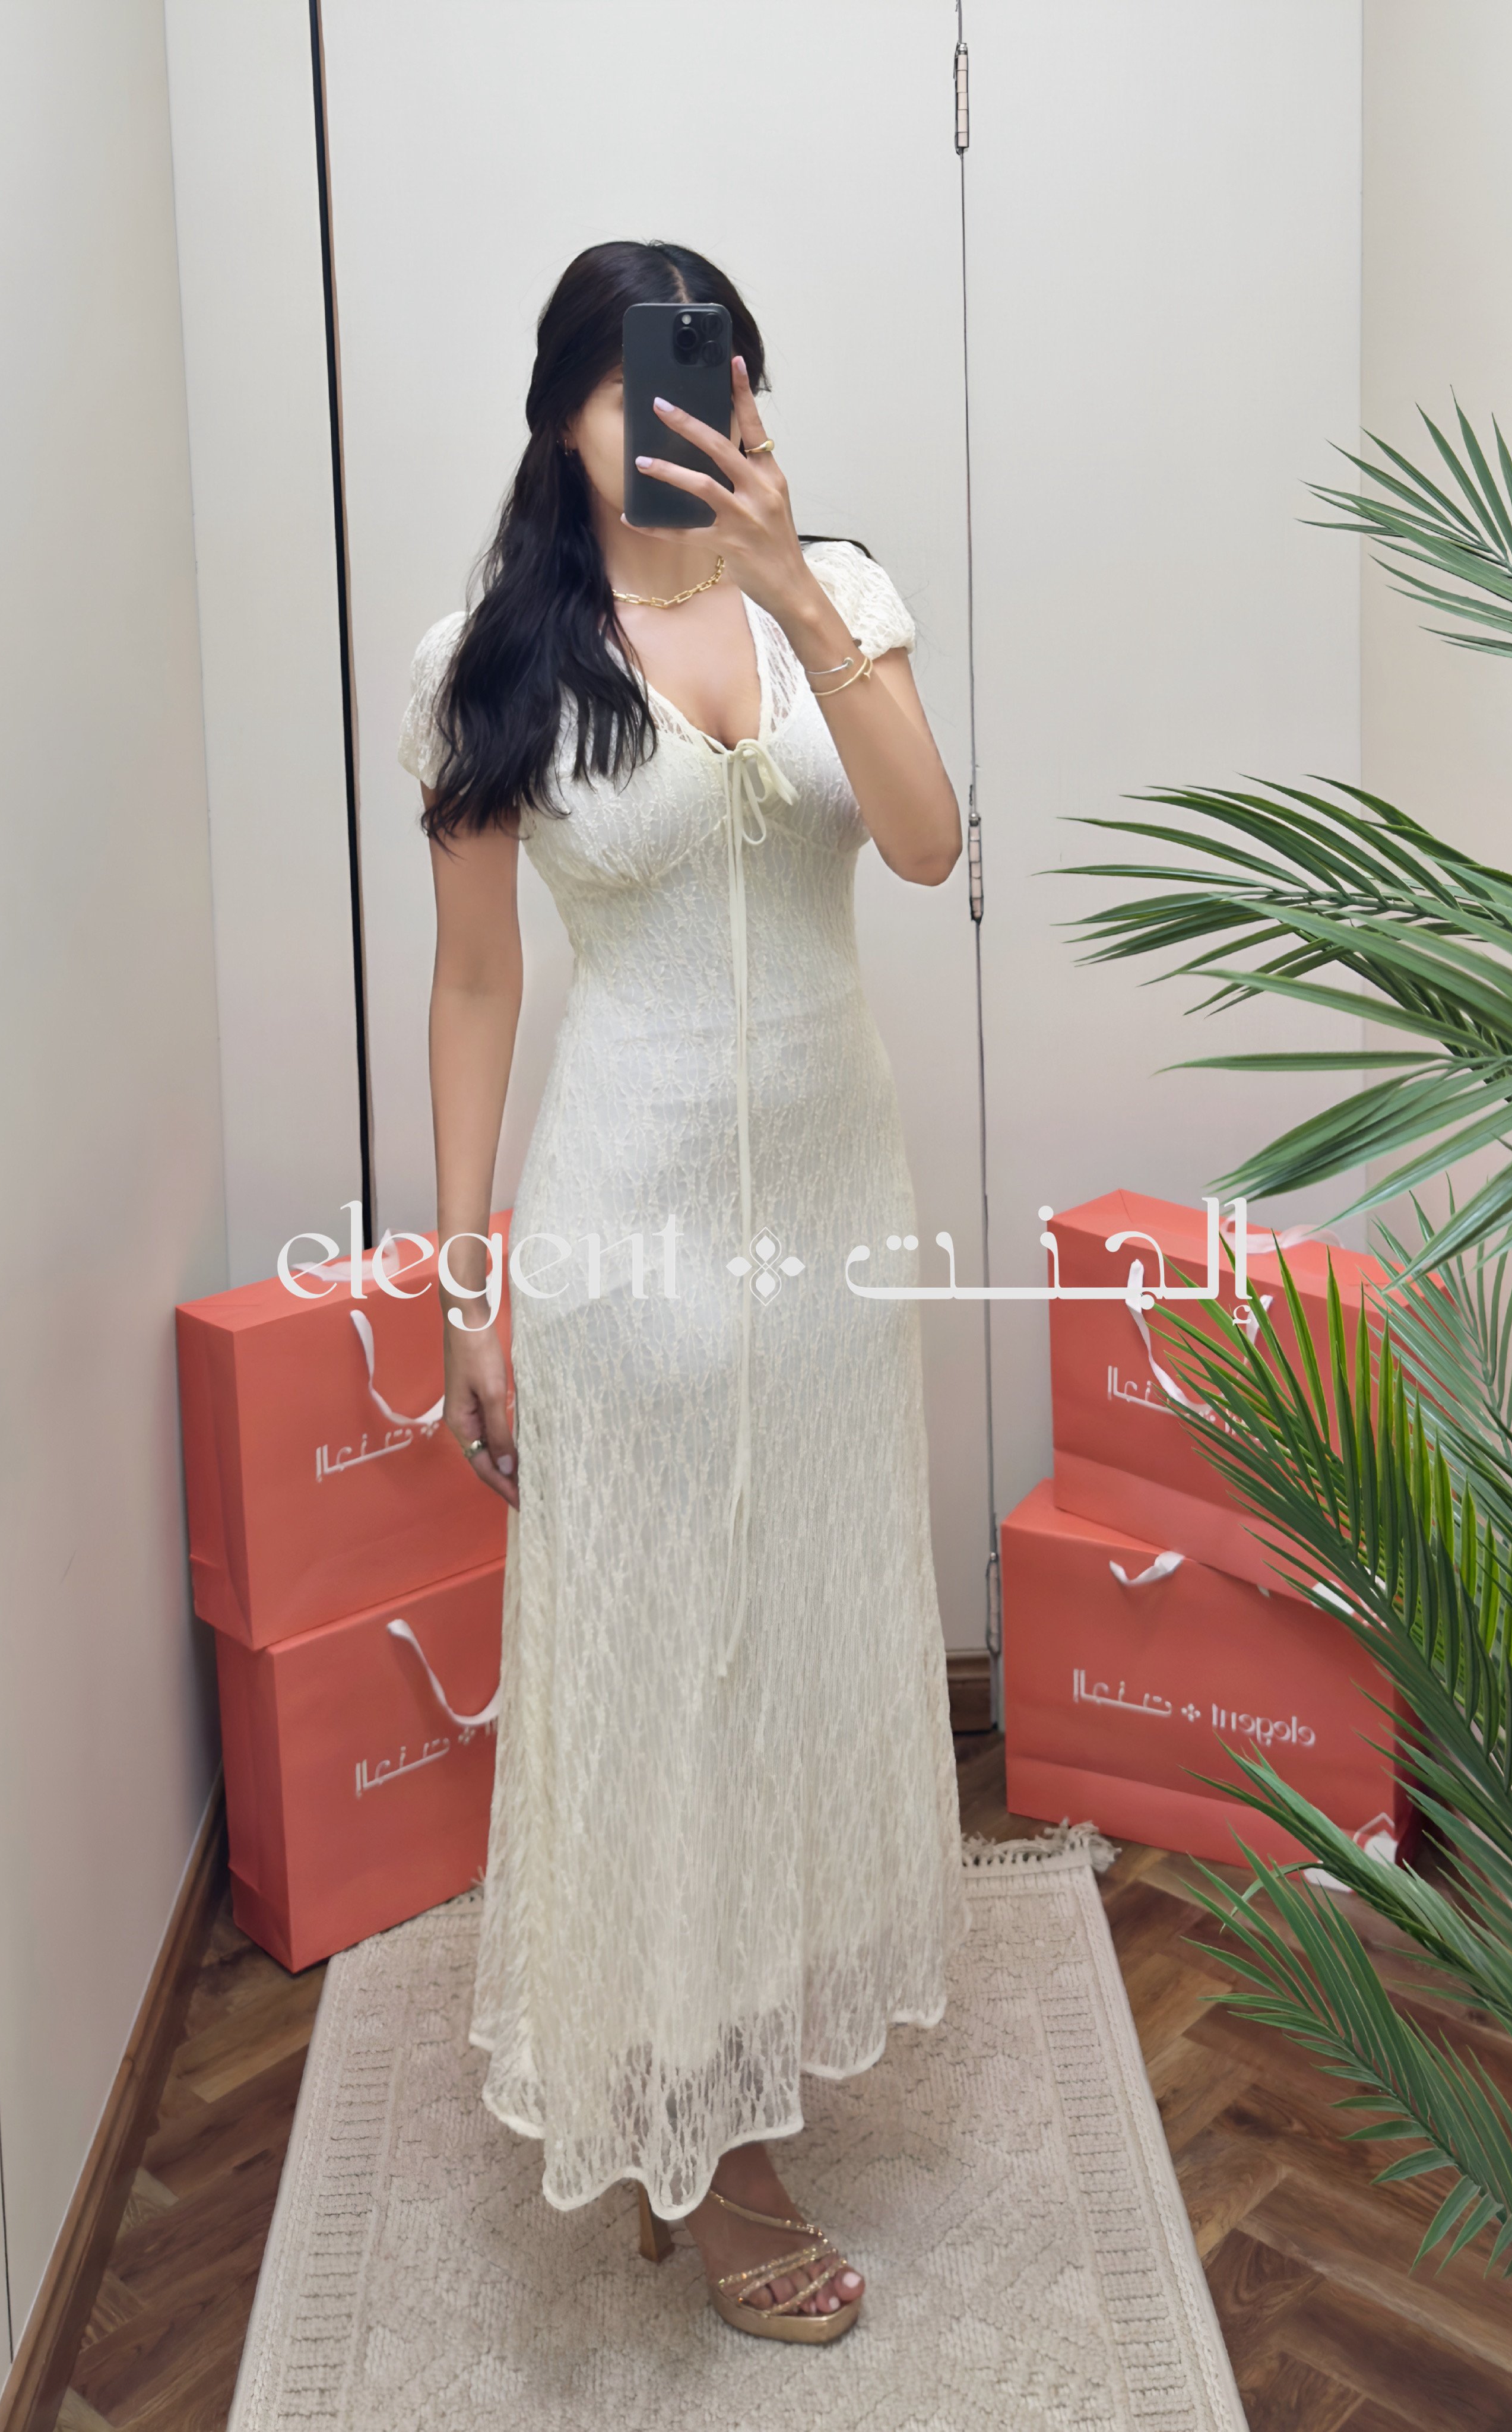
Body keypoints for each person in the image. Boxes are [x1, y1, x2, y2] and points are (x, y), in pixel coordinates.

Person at [399, 238, 968, 2346]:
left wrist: (799, 591)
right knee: (661, 1666)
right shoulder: (493, 661)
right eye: (639, 383)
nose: (681, 415)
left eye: (719, 378)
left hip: (830, 1231)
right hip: (624, 1240)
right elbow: (475, 986)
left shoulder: (846, 597)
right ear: (566, 412)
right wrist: (467, 1287)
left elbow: (927, 843)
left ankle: (729, 2050)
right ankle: (700, 2145)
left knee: (794, 1631)